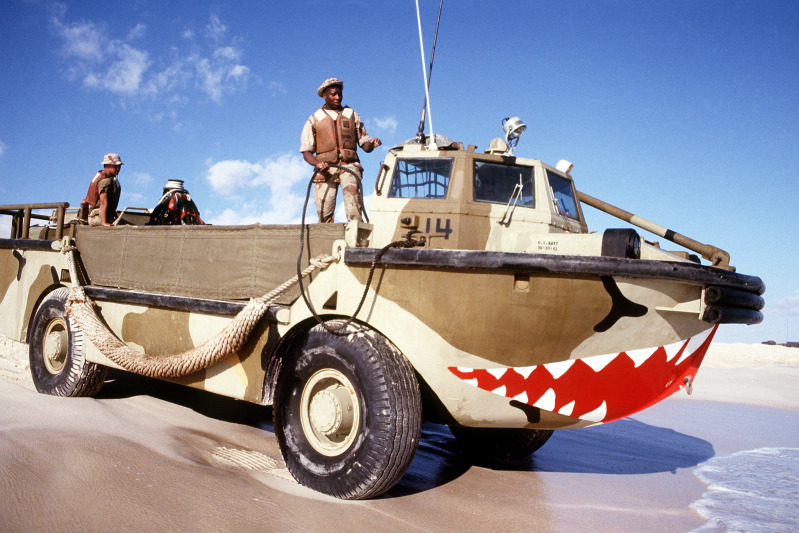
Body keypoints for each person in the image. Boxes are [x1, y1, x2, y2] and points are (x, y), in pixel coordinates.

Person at [300, 77, 381, 223]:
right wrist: (318, 164)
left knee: (354, 208)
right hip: (325, 170)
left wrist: (371, 144)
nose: (337, 97)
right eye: (333, 94)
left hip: (349, 166)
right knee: (324, 213)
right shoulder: (314, 119)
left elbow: (365, 145)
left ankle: (356, 235)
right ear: (324, 95)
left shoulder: (351, 115)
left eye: (340, 94)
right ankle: (326, 236)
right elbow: (306, 152)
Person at [79, 153, 123, 226]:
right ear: (107, 165)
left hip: (103, 215)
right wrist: (104, 222)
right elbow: (103, 202)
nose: (118, 169)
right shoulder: (105, 181)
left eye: (119, 166)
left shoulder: (111, 179)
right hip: (96, 216)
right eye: (115, 166)